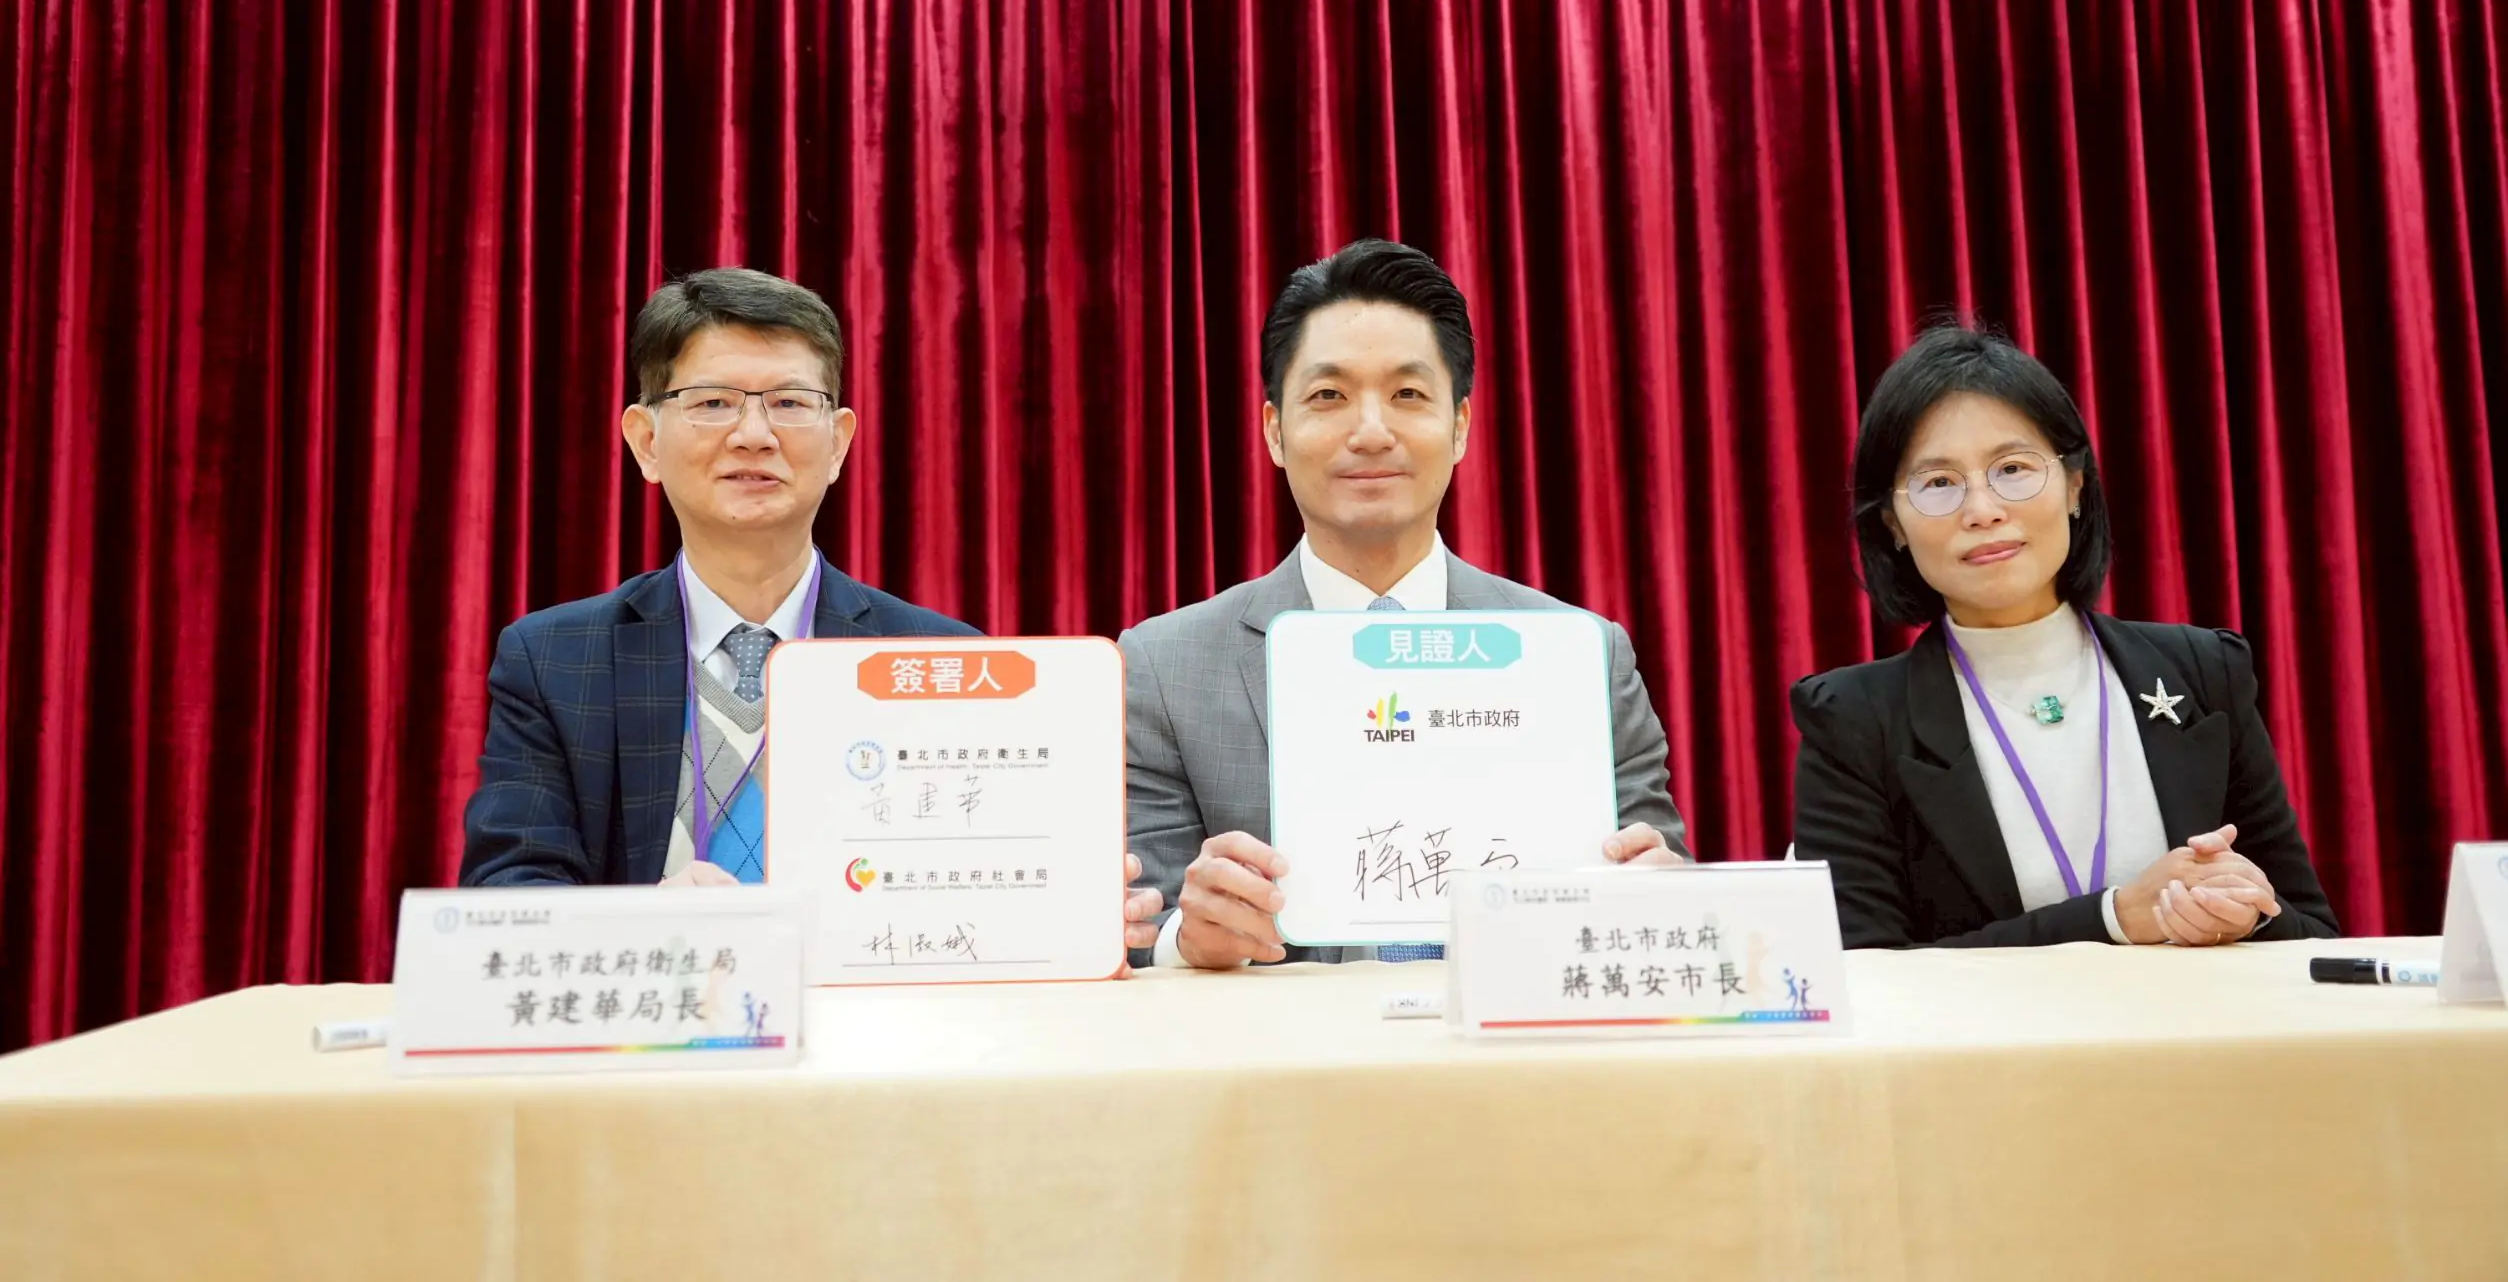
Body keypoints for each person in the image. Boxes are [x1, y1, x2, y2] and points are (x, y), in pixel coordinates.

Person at [460, 267, 1167, 956]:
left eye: (791, 403)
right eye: (713, 402)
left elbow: (980, 888)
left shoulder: (940, 659)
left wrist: (1064, 907)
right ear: (646, 441)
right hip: (653, 1026)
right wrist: (646, 929)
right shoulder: (556, 660)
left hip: (875, 1028)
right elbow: (507, 897)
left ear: (838, 443)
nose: (754, 434)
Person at [1124, 239, 1689, 969]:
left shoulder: (1581, 655)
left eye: (1408, 395)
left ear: (1459, 428)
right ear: (1274, 431)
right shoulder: (1163, 668)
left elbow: (1660, 891)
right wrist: (1187, 937)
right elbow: (1145, 922)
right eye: (1329, 396)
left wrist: (1658, 895)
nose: (1370, 432)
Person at [1790, 324, 2338, 948]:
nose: (1983, 510)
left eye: (2013, 469)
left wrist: (2248, 912)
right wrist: (2111, 918)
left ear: (2075, 485)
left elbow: (2312, 935)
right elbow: (1864, 969)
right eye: (1938, 483)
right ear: (1893, 523)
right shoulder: (1853, 721)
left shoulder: (2202, 671)